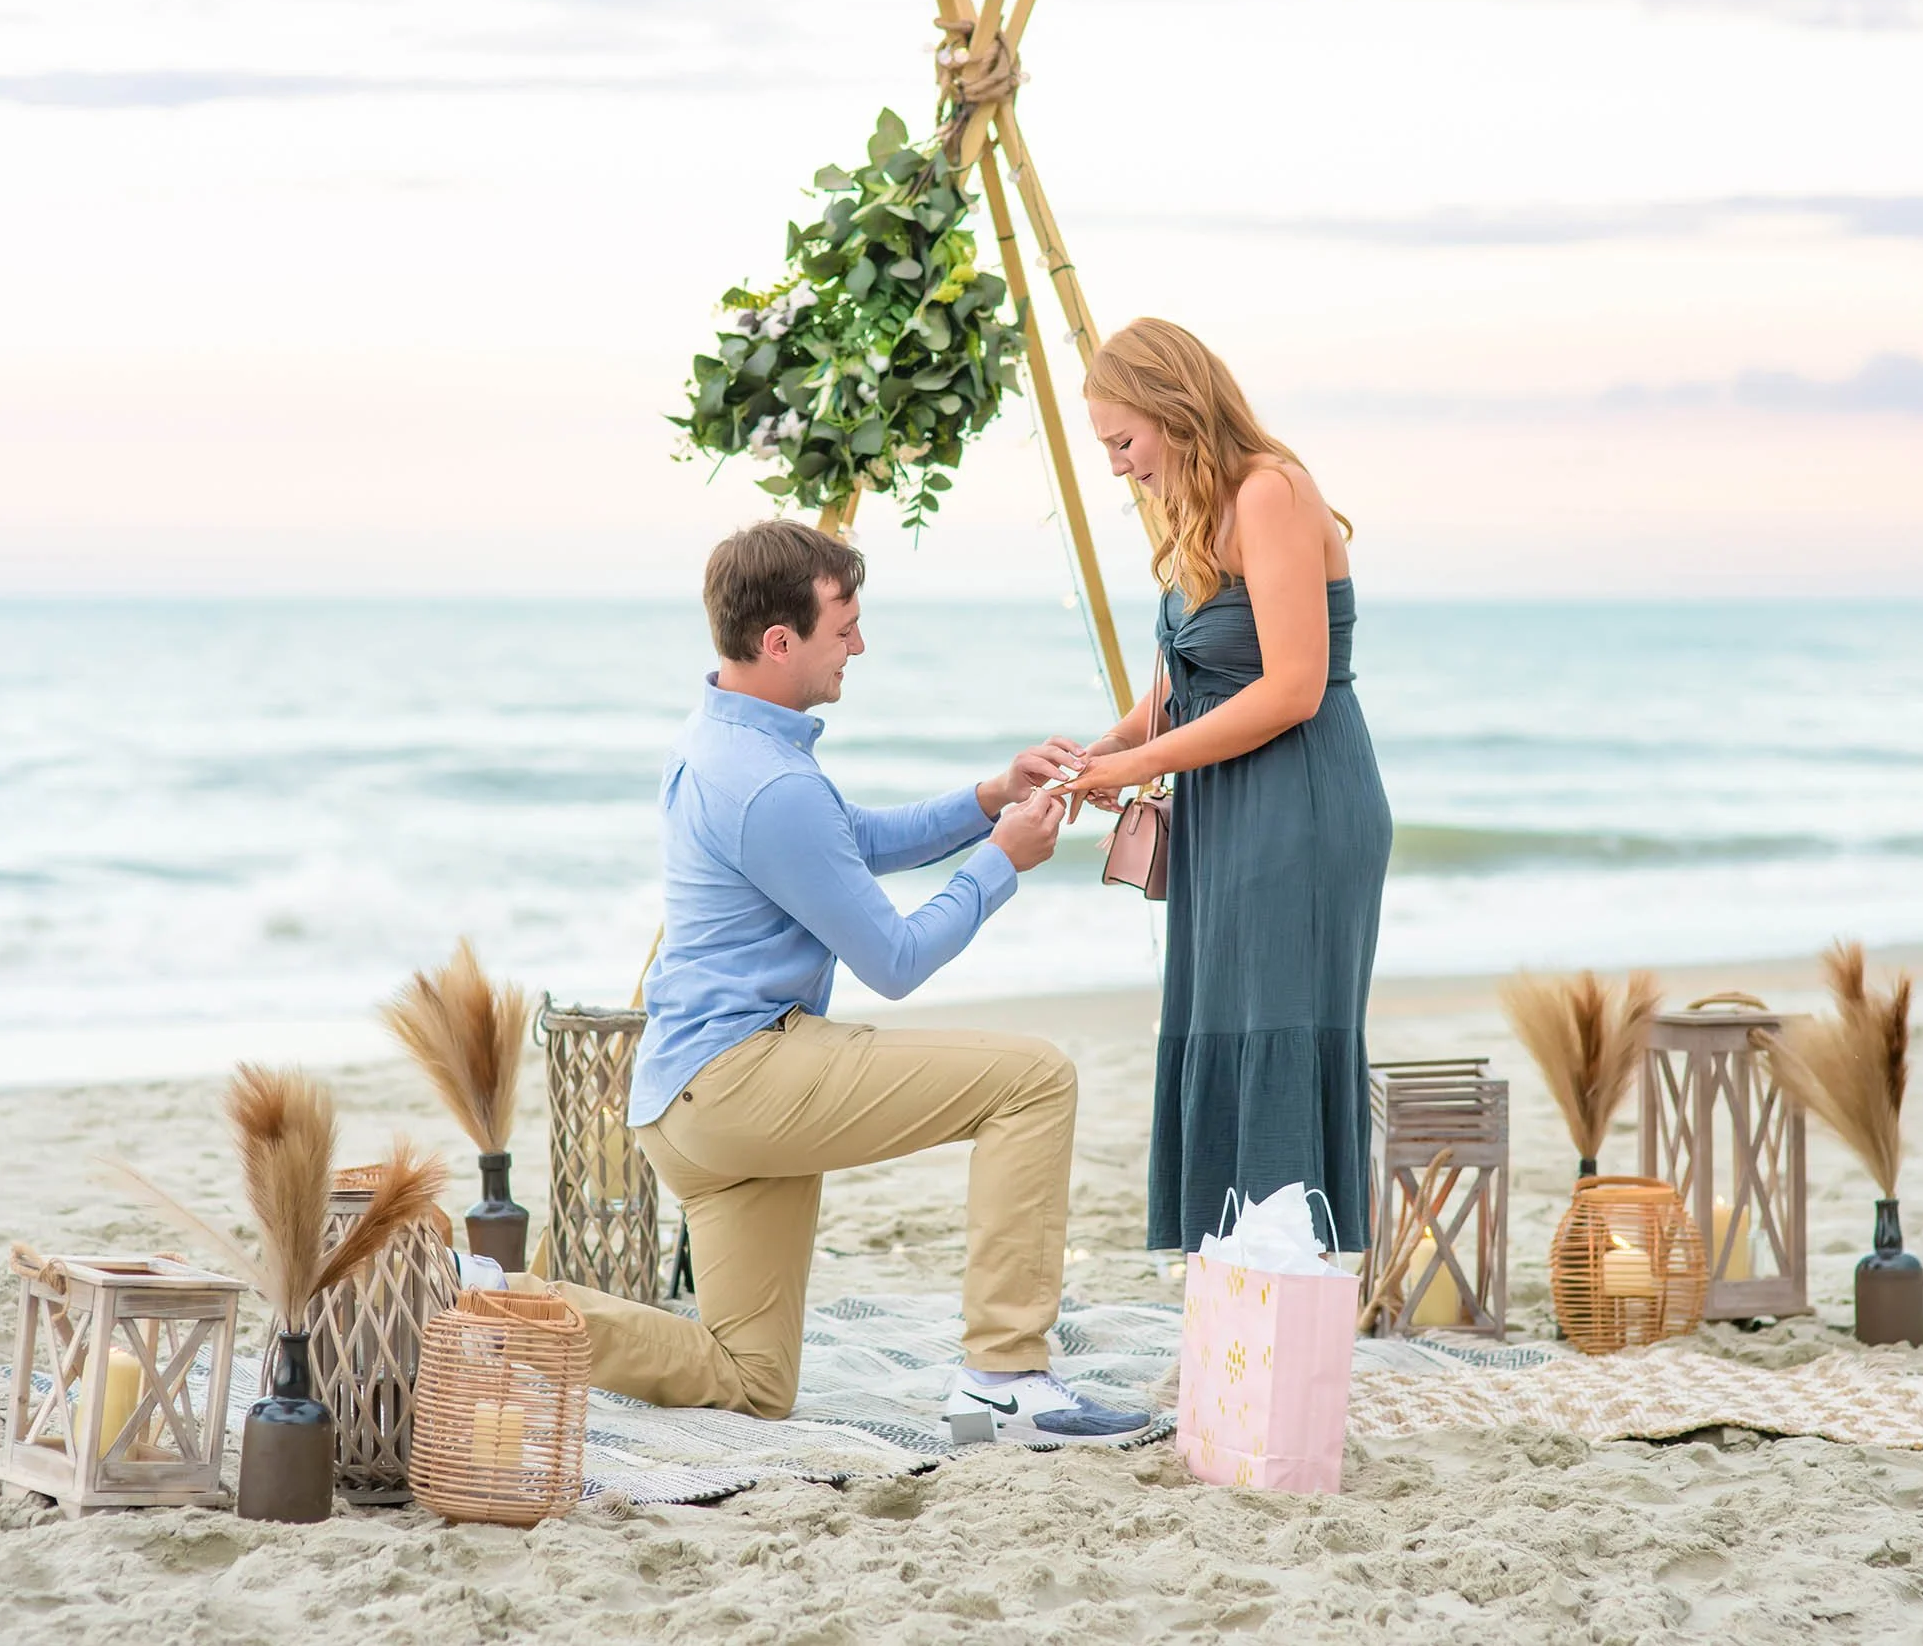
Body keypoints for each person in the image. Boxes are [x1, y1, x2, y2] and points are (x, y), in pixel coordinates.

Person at [545, 517, 1149, 1443]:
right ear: (779, 642)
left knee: (751, 1383)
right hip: (741, 1080)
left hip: (684, 1103)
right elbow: (895, 961)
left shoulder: (723, 735)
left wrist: (987, 798)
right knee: (1035, 1078)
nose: (860, 644)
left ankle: (501, 1309)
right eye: (844, 626)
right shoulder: (767, 782)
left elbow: (846, 843)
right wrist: (1000, 862)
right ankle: (1005, 1378)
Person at [1062, 318, 1392, 1257]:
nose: (1120, 468)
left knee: (1275, 1030)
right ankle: (1242, 1292)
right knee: (1220, 1025)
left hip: (1300, 804)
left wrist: (1138, 767)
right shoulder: (1198, 510)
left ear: (1176, 409)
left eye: (1124, 442)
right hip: (1224, 807)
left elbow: (1293, 687)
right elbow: (1190, 673)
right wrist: (1106, 748)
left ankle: (1283, 1296)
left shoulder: (1271, 492)